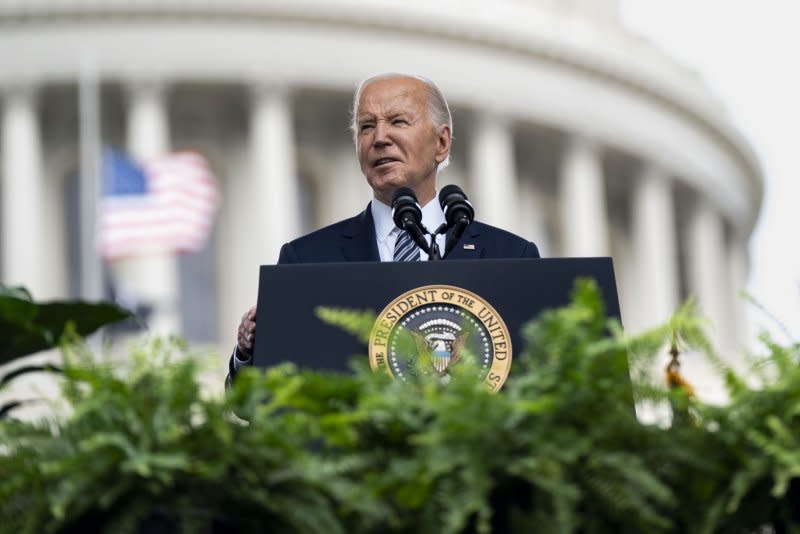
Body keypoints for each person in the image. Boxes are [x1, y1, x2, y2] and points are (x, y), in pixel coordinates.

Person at [227, 73, 540, 383]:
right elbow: (256, 399)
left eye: (398, 122)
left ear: (441, 143)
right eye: (366, 126)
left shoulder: (512, 256)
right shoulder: (306, 259)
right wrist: (248, 352)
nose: (379, 138)